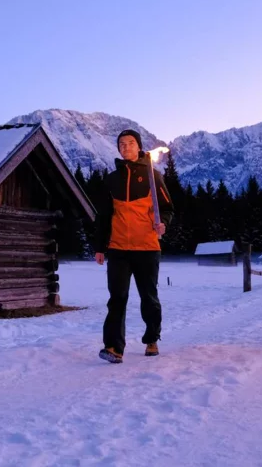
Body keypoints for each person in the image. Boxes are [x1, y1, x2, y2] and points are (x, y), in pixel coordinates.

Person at [93, 129, 174, 364]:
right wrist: (100, 246)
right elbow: (104, 216)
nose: (125, 147)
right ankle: (113, 347)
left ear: (139, 146)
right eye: (121, 144)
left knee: (148, 296)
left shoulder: (153, 176)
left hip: (147, 247)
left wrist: (163, 224)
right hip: (118, 248)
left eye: (130, 143)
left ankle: (152, 338)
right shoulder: (111, 179)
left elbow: (167, 208)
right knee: (116, 298)